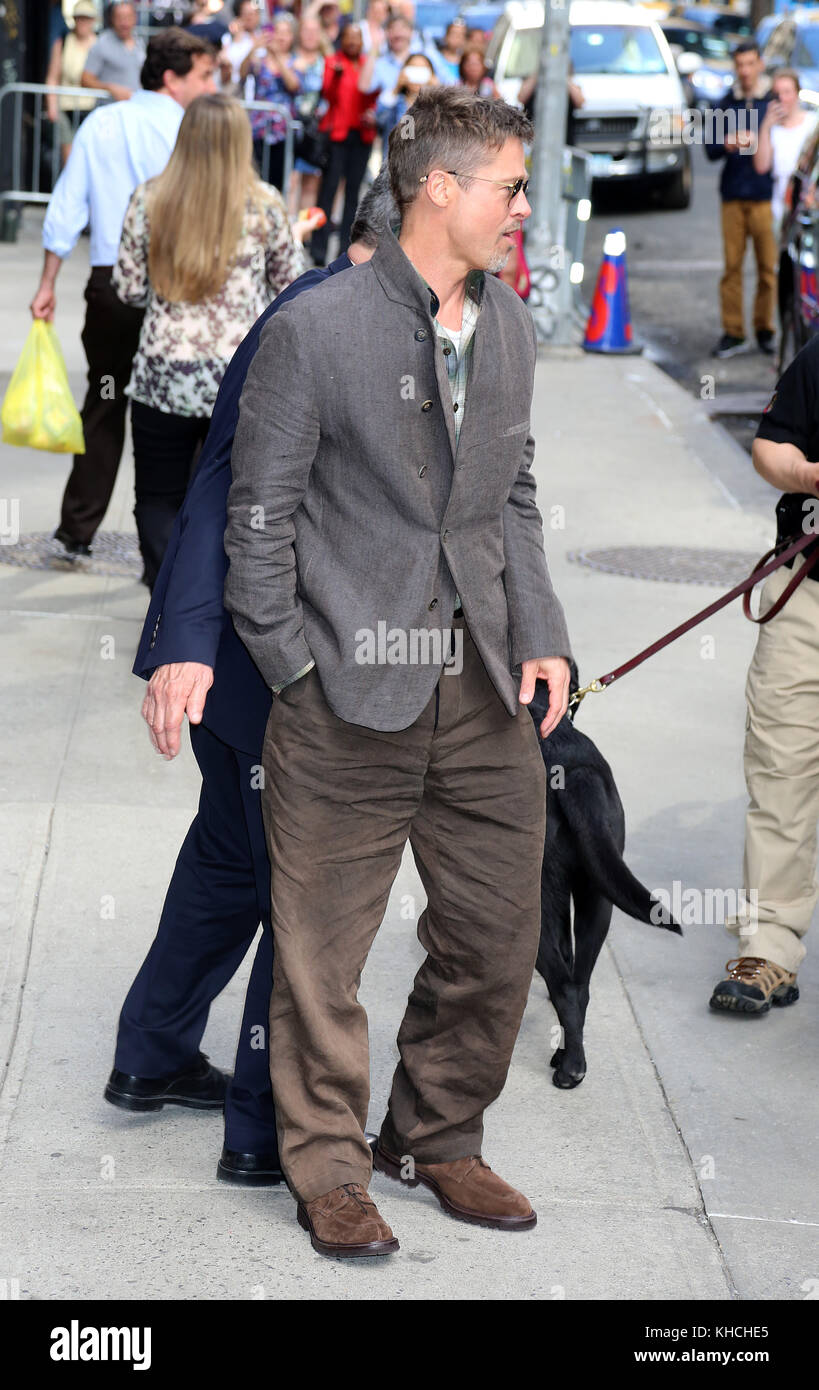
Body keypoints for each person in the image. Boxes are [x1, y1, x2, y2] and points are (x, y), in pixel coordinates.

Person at [223, 86, 572, 1259]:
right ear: (441, 189)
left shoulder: (511, 326)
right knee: (322, 953)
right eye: (511, 186)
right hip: (342, 696)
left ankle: (436, 1133)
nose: (525, 206)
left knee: (496, 931)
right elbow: (259, 515)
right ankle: (325, 1168)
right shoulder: (315, 328)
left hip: (479, 689)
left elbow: (511, 498)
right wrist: (291, 668)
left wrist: (544, 632)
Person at [113, 172, 398, 1183]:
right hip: (270, 673)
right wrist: (185, 639)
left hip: (244, 676)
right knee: (304, 893)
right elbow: (227, 485)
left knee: (229, 864)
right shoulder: (319, 325)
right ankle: (263, 1127)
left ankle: (149, 1058)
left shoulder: (330, 310)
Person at [30, 28, 216, 562]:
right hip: (175, 290)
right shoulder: (189, 130)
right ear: (172, 77)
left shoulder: (104, 123)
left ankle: (76, 530)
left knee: (106, 402)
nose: (211, 84)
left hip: (112, 288)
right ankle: (170, 545)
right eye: (203, 75)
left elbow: (67, 206)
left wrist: (47, 283)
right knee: (177, 417)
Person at [111, 92, 307, 589]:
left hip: (163, 374)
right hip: (239, 374)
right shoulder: (264, 205)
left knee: (158, 495)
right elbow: (293, 287)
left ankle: (166, 596)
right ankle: (213, 600)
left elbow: (128, 287)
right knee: (229, 496)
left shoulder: (149, 198)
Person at [710, 340, 819, 1015]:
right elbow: (769, 449)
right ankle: (768, 946)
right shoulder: (816, 359)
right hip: (805, 589)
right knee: (779, 767)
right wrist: (809, 477)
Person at [705, 40, 775, 359]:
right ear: (735, 67)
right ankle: (733, 331)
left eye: (750, 64)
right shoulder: (725, 104)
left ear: (759, 64)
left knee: (767, 268)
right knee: (732, 267)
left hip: (765, 195)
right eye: (740, 65)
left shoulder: (771, 102)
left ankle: (765, 330)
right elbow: (709, 149)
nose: (745, 71)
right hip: (732, 194)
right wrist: (728, 143)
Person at [309, 22, 376, 265]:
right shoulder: (333, 62)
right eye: (348, 37)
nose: (352, 42)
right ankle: (319, 247)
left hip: (362, 135)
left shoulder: (369, 64)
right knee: (328, 192)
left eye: (356, 38)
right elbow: (327, 94)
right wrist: (336, 76)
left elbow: (374, 94)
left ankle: (345, 251)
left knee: (353, 195)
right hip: (337, 136)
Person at [753, 67, 815, 234]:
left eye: (787, 92)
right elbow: (761, 166)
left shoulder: (813, 125)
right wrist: (765, 126)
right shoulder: (772, 130)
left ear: (797, 93)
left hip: (809, 209)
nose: (782, 98)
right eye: (777, 93)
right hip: (781, 212)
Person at [243, 13, 301, 189]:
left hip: (282, 132)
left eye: (286, 33)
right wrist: (254, 48)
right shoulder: (259, 61)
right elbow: (242, 73)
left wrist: (277, 58)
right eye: (278, 32)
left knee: (278, 181)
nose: (281, 37)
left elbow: (293, 85)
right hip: (259, 130)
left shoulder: (295, 62)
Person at [45, 1, 99, 167]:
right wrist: (51, 104)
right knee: (69, 157)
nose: (83, 22)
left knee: (90, 154)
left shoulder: (99, 44)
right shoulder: (64, 42)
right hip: (66, 106)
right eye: (79, 18)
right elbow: (52, 76)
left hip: (92, 108)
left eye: (87, 18)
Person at [289, 14, 329, 215]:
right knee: (291, 180)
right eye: (307, 30)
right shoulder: (289, 58)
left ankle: (303, 236)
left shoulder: (326, 62)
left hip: (314, 130)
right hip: (290, 127)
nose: (311, 35)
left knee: (311, 182)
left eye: (315, 31)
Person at [81, 1, 145, 101]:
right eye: (120, 18)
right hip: (110, 111)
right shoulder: (102, 43)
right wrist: (110, 88)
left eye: (128, 17)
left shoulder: (140, 43)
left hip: (135, 109)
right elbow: (85, 79)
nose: (124, 22)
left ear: (135, 18)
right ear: (112, 19)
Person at [375, 50, 436, 139]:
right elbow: (380, 120)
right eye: (413, 69)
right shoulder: (394, 101)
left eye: (422, 70)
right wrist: (396, 88)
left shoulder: (436, 106)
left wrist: (438, 91)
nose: (417, 75)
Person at [223, 0, 264, 92]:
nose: (249, 18)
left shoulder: (263, 37)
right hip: (234, 88)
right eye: (246, 14)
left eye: (253, 14)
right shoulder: (229, 38)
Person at [427, 18, 467, 86]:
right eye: (454, 33)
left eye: (461, 34)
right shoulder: (434, 58)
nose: (457, 37)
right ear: (446, 36)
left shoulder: (466, 60)